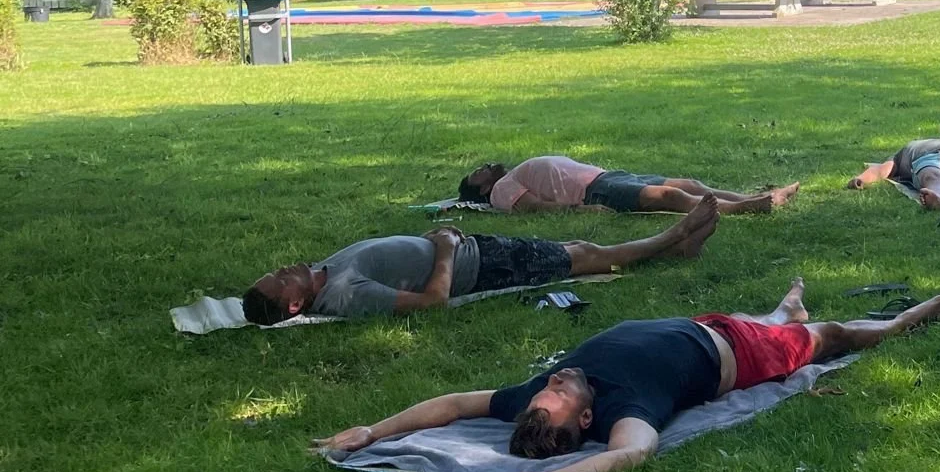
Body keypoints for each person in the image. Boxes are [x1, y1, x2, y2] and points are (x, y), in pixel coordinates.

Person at [314, 280, 940, 472]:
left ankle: (785, 306)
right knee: (833, 334)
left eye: (548, 389)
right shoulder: (624, 412)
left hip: (705, 325)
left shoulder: (530, 398)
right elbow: (635, 452)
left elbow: (453, 406)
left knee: (781, 317)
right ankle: (908, 320)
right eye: (556, 395)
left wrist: (372, 432)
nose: (551, 382)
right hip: (745, 354)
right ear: (588, 417)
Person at [242, 202, 720, 323]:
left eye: (278, 270)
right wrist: (447, 246)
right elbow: (432, 303)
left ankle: (676, 250)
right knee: (585, 256)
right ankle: (674, 233)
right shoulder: (346, 295)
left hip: (475, 248)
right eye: (281, 281)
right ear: (293, 307)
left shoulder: (323, 273)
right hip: (479, 264)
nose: (285, 269)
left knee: (575, 249)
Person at [458, 155, 799, 215]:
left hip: (608, 176)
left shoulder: (508, 174)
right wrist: (583, 209)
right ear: (482, 191)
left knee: (689, 182)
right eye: (477, 173)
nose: (484, 167)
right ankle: (744, 208)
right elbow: (534, 207)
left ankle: (756, 197)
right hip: (595, 191)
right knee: (669, 196)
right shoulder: (502, 189)